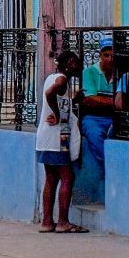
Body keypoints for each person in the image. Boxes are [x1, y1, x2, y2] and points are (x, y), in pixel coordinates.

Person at [37, 50, 86, 233]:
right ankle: (63, 221)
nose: (79, 68)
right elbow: (51, 94)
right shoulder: (62, 80)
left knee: (50, 178)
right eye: (76, 64)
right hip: (59, 137)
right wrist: (57, 115)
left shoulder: (51, 77)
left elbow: (57, 99)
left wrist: (74, 100)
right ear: (70, 62)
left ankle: (47, 221)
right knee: (67, 177)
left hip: (45, 137)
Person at [78, 41, 125, 192]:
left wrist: (102, 101)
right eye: (106, 55)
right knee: (94, 134)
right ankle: (109, 167)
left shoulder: (121, 74)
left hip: (114, 117)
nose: (110, 58)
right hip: (93, 118)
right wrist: (114, 102)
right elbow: (90, 100)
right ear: (100, 56)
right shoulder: (89, 72)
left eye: (113, 55)